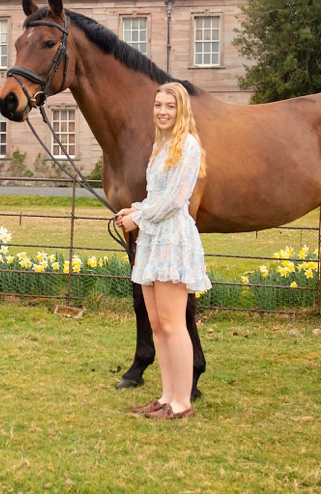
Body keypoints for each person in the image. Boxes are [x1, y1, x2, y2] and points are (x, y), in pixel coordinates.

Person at [116, 81, 210, 420]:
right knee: (157, 325)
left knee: (173, 324)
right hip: (153, 239)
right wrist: (134, 209)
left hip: (172, 239)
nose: (163, 111)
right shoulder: (162, 145)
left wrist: (139, 216)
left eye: (169, 106)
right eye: (158, 105)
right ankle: (166, 396)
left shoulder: (188, 146)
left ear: (181, 109)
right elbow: (157, 197)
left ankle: (182, 403)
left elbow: (174, 201)